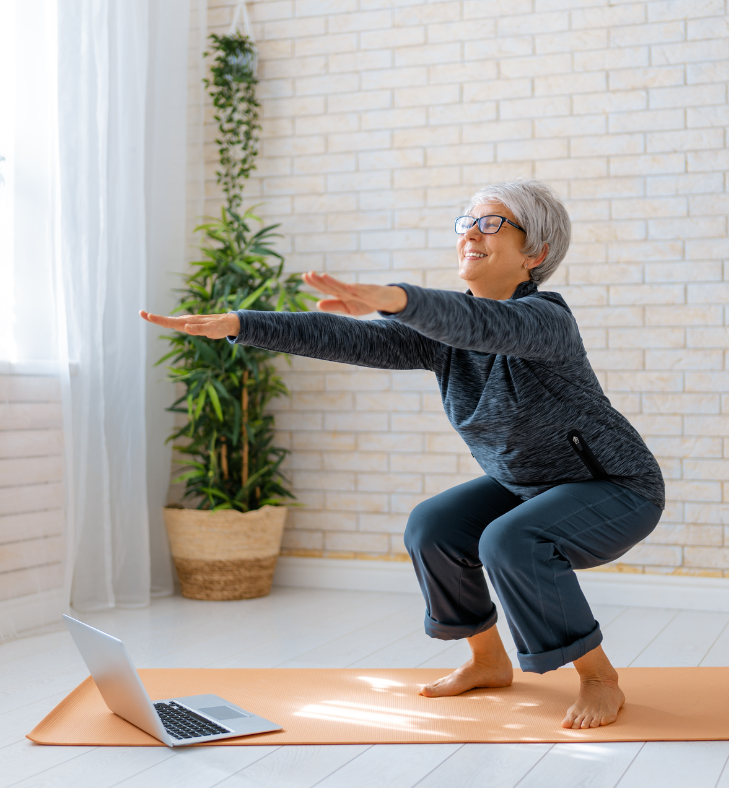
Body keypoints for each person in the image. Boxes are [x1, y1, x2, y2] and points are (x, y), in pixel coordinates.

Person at [140, 179, 664, 729]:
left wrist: (397, 299)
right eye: (466, 223)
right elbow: (349, 338)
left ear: (534, 254)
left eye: (491, 223)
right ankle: (487, 662)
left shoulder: (546, 321)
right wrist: (241, 325)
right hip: (529, 484)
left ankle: (599, 677)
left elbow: (480, 323)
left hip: (615, 487)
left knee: (509, 538)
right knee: (432, 526)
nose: (471, 234)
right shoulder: (442, 336)